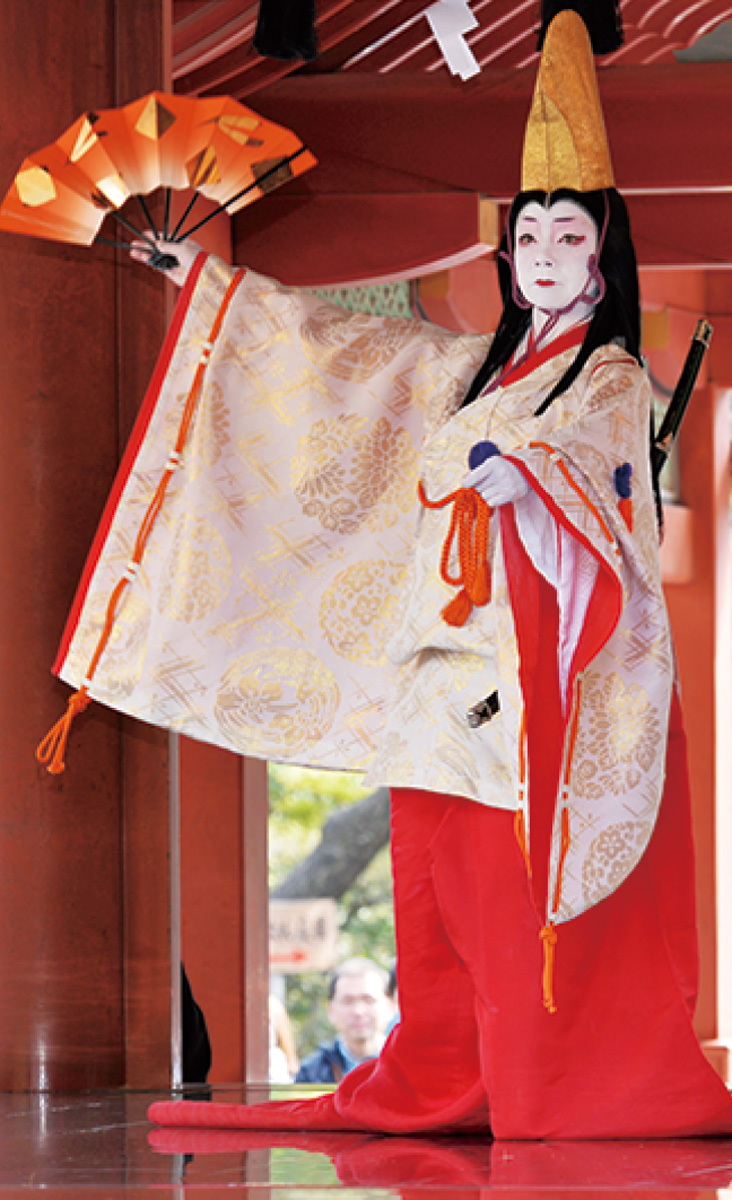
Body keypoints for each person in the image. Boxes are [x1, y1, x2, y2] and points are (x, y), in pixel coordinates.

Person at [45, 3, 732, 1138]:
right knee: (436, 893)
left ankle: (556, 1088)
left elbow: (591, 470)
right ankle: (454, 1072)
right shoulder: (476, 370)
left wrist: (528, 478)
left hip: (537, 699)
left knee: (508, 898)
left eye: (567, 237)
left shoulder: (605, 378)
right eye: (527, 237)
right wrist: (212, 289)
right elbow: (349, 359)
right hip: (441, 684)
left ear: (601, 256)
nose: (542, 255)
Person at [296, 959, 394, 1084]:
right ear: (331, 1010)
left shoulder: (407, 1067)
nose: (358, 1011)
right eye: (347, 1001)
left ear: (391, 1006)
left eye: (368, 1000)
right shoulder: (310, 1073)